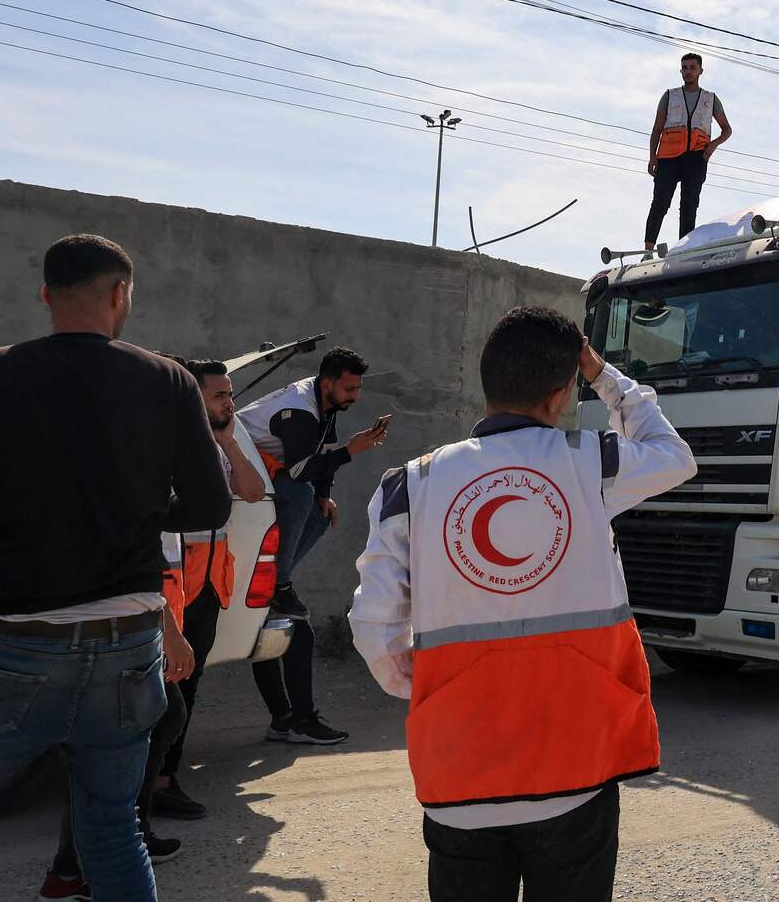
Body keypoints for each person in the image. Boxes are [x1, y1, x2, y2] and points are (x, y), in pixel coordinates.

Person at [0, 234, 231, 901]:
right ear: (120, 294)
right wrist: (133, 518)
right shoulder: (166, 380)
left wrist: (23, 523)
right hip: (128, 649)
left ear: (44, 296)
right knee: (113, 830)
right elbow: (209, 502)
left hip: (19, 644)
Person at [349, 306, 696, 902]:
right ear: (562, 394)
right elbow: (674, 456)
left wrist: (442, 691)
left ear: (487, 385)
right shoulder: (591, 462)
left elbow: (374, 628)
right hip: (574, 773)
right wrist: (605, 377)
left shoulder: (410, 483)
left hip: (458, 777)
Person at [237, 346, 389, 746]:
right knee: (301, 496)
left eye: (358, 388)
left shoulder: (323, 409)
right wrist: (352, 452)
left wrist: (326, 492)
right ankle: (279, 583)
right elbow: (300, 469)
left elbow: (319, 460)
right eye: (349, 388)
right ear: (327, 384)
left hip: (262, 497)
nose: (355, 396)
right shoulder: (300, 410)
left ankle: (286, 719)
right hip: (236, 489)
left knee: (318, 509)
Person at [39, 526, 199, 899]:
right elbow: (131, 567)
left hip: (133, 628)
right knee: (105, 755)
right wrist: (170, 632)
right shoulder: (131, 475)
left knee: (154, 725)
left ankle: (88, 861)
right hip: (120, 631)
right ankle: (71, 871)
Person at [153, 358, 270, 820]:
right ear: (191, 398)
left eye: (230, 393)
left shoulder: (220, 445)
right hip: (171, 582)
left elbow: (255, 491)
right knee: (162, 688)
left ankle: (164, 779)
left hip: (207, 583)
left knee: (190, 681)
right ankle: (145, 786)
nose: (231, 402)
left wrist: (228, 443)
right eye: (220, 395)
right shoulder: (166, 445)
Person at [644, 52, 733, 249]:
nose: (688, 72)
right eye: (684, 68)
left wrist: (712, 145)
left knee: (689, 206)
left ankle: (682, 250)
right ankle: (648, 250)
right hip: (668, 158)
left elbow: (727, 129)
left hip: (696, 158)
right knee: (659, 204)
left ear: (701, 71)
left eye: (692, 68)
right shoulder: (669, 96)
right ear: (680, 71)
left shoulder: (710, 99)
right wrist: (653, 156)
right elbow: (657, 128)